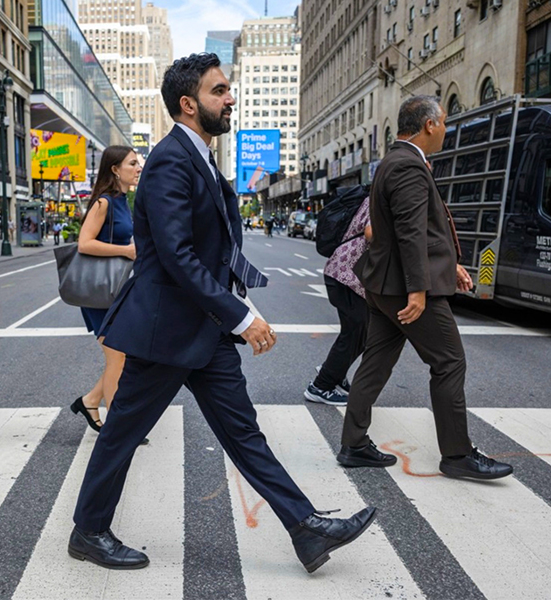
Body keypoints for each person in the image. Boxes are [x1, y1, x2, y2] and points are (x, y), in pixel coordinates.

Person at [68, 53, 375, 574]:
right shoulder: (170, 160)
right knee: (122, 431)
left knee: (243, 432)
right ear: (189, 105)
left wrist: (240, 308)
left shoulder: (203, 159)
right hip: (167, 329)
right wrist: (241, 317)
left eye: (228, 89)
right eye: (219, 91)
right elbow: (175, 254)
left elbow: (216, 252)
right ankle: (89, 531)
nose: (229, 98)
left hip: (202, 331)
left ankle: (304, 528)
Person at [337, 96, 513, 480]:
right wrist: (419, 291)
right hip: (405, 289)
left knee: (376, 362)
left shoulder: (395, 161)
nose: (446, 131)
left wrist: (453, 267)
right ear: (429, 125)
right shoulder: (408, 167)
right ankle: (457, 456)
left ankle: (353, 444)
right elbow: (410, 233)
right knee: (449, 362)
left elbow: (423, 231)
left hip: (383, 285)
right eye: (445, 123)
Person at [69, 146, 140, 434]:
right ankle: (118, 428)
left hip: (117, 291)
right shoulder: (104, 203)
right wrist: (126, 251)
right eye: (132, 163)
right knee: (118, 357)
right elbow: (84, 244)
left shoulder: (123, 201)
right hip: (100, 294)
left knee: (123, 356)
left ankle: (90, 401)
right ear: (115, 169)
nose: (138, 168)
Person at [305, 197, 372, 406]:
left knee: (362, 331)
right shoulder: (382, 198)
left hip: (350, 276)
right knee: (356, 330)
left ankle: (335, 372)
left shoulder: (380, 196)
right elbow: (371, 233)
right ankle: (320, 386)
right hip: (345, 275)